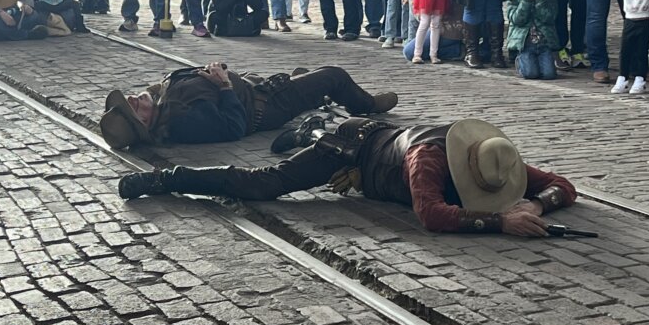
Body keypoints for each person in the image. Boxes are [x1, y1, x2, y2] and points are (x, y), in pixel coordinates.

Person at [118, 116, 577, 242]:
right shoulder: (428, 160)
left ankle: (311, 126)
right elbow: (432, 215)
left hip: (377, 155)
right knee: (265, 184)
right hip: (351, 145)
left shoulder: (497, 159)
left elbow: (564, 185)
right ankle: (166, 179)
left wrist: (535, 204)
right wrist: (500, 223)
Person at [100, 63, 399, 148]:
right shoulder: (181, 120)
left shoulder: (164, 103)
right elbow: (234, 127)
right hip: (265, 105)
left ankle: (307, 86)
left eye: (131, 99)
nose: (134, 99)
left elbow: (167, 86)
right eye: (134, 109)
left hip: (257, 88)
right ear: (146, 126)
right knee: (334, 76)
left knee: (306, 78)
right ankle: (366, 104)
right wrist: (224, 85)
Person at [505, 0, 558, 80]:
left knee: (549, 74)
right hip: (525, 45)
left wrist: (540, 0)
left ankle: (541, 62)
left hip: (544, 44)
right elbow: (518, 20)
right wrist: (525, 0)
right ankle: (519, 61)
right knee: (530, 74)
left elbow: (548, 18)